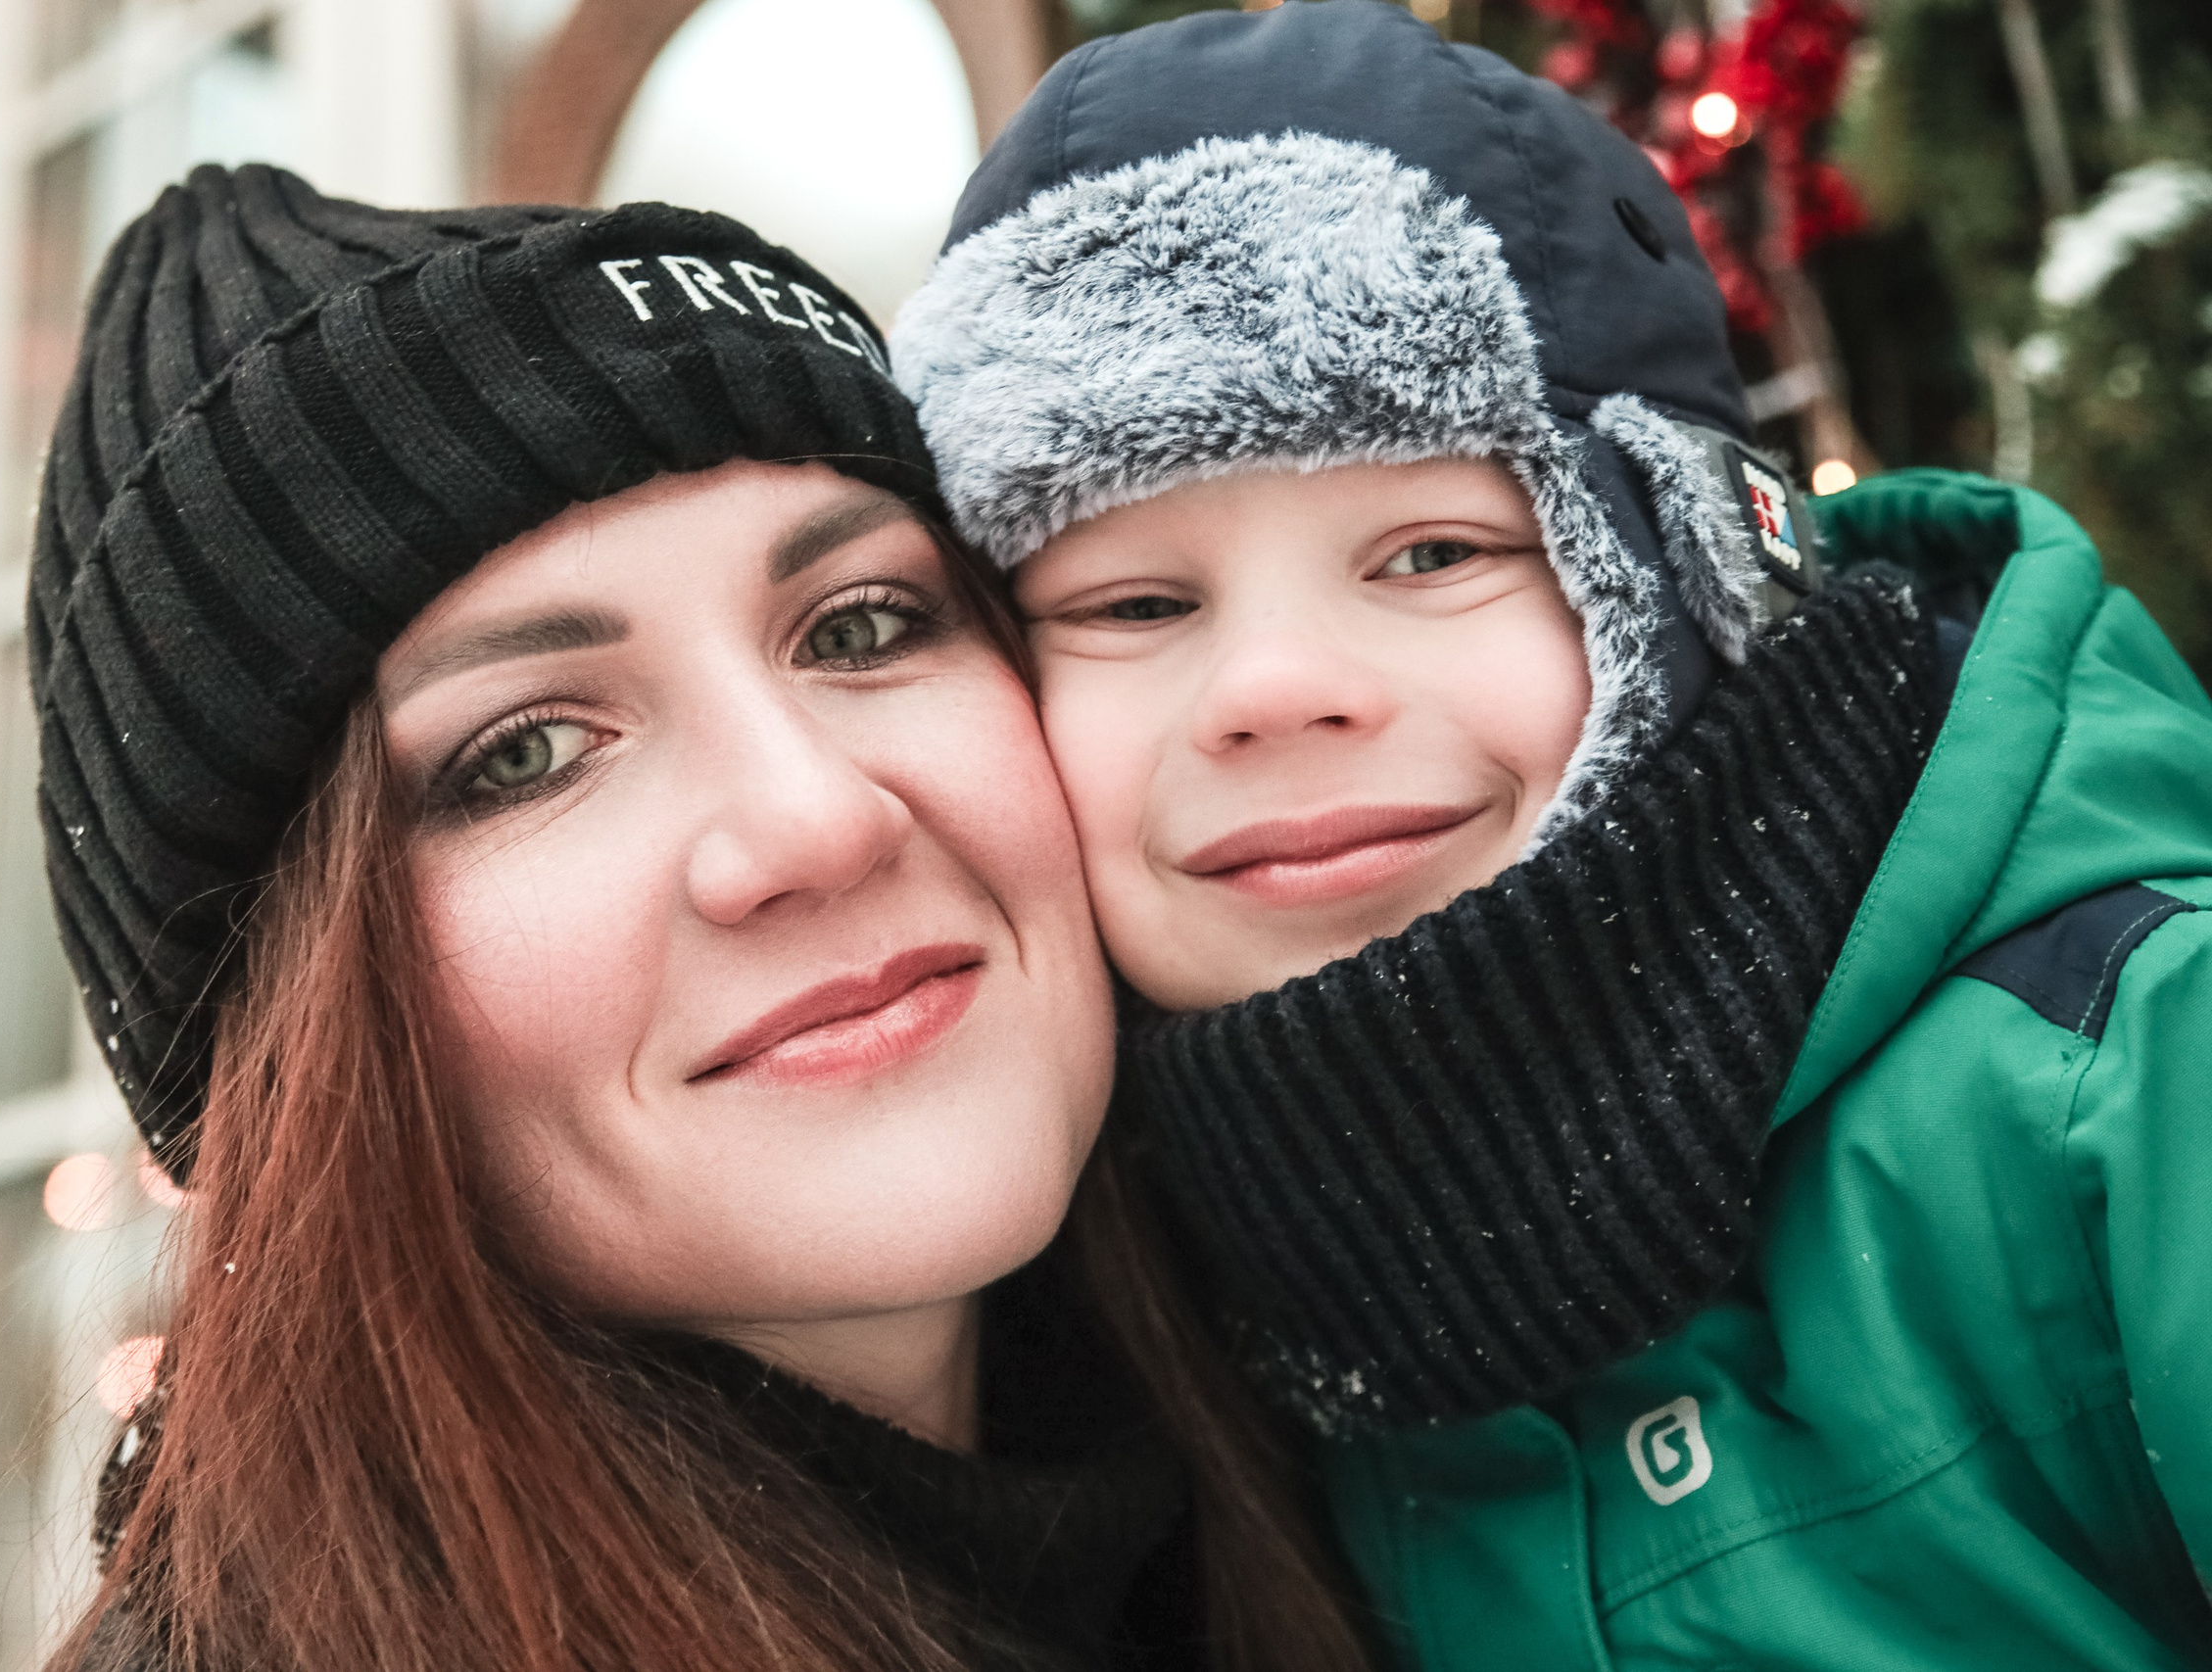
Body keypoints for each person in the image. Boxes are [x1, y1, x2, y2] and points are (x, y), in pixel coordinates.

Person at [892, 3, 2212, 1668]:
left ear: (1690, 572)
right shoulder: (1100, 1271)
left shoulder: (2137, 1075)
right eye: (1134, 602)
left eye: (1435, 554)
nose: (1275, 689)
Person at [28, 164, 1373, 1672]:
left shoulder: (1386, 1480)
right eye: (524, 751)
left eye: (862, 626)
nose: (818, 819)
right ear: (279, 1052)